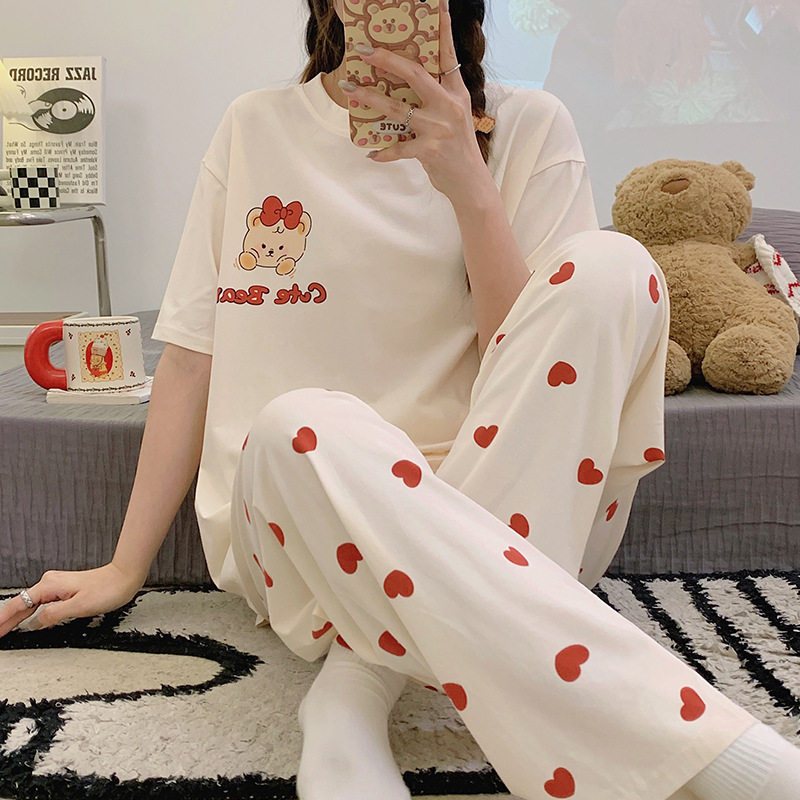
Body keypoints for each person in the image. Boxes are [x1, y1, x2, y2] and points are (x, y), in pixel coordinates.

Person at [2, 1, 799, 799]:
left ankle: (355, 686)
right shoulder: (254, 127)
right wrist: (125, 565)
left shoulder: (531, 125)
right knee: (301, 421)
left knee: (615, 266)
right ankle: (717, 756)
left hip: (520, 523)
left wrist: (470, 188)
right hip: (303, 524)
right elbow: (188, 360)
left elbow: (529, 366)